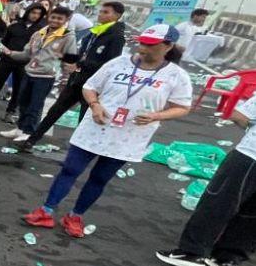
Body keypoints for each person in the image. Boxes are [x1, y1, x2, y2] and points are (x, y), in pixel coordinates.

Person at [23, 24, 192, 238]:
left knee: (99, 178)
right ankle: (46, 210)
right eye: (142, 42)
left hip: (129, 136)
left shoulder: (176, 76)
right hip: (95, 126)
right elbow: (89, 86)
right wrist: (95, 105)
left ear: (167, 46)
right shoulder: (119, 64)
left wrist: (156, 116)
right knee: (70, 169)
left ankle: (75, 216)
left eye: (150, 45)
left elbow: (182, 107)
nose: (142, 48)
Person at [157, 85, 256, 266]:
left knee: (220, 203)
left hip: (255, 154)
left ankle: (191, 253)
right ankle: (227, 259)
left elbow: (239, 115)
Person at [14, 1, 128, 150]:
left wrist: (80, 64)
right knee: (55, 110)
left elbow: (110, 64)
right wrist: (70, 62)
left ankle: (78, 150)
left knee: (84, 119)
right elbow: (81, 53)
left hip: (93, 85)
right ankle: (31, 140)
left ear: (117, 16)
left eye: (106, 12)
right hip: (76, 80)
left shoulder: (116, 36)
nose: (101, 14)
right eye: (101, 11)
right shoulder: (95, 31)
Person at [0, 6, 76, 143]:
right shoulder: (39, 33)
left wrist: (66, 79)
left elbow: (70, 59)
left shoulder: (68, 37)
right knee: (23, 102)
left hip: (46, 76)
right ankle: (20, 128)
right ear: (48, 17)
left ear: (66, 20)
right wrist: (10, 53)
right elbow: (27, 54)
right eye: (53, 17)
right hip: (29, 72)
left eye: (59, 18)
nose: (55, 21)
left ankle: (29, 131)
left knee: (35, 105)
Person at [0, 3, 45, 120]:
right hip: (6, 60)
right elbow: (4, 41)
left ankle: (10, 112)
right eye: (33, 12)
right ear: (28, 12)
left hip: (24, 63)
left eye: (39, 14)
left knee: (18, 89)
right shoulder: (15, 26)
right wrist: (3, 50)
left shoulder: (41, 31)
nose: (36, 15)